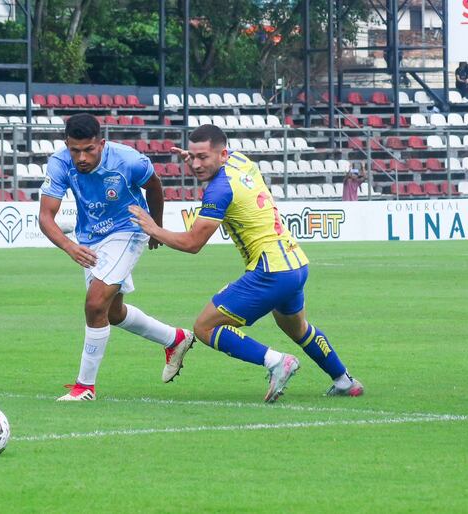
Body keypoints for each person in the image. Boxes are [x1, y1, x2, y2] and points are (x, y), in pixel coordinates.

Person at [129, 124, 364, 401]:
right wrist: (198, 155)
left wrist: (154, 229)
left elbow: (193, 244)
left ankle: (277, 361)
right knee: (297, 328)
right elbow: (214, 159)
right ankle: (344, 380)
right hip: (295, 263)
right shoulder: (240, 160)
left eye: (203, 157)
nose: (195, 164)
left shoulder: (218, 191)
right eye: (192, 157)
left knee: (205, 327)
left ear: (222, 154)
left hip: (271, 270)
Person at [38, 113, 194, 401]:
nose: (81, 157)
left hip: (129, 228)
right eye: (75, 150)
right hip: (90, 237)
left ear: (102, 143)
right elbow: (46, 217)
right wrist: (70, 246)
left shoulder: (128, 160)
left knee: (95, 303)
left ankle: (85, 387)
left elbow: (155, 186)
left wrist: (155, 227)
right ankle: (175, 339)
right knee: (112, 312)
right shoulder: (59, 163)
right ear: (66, 145)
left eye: (89, 149)